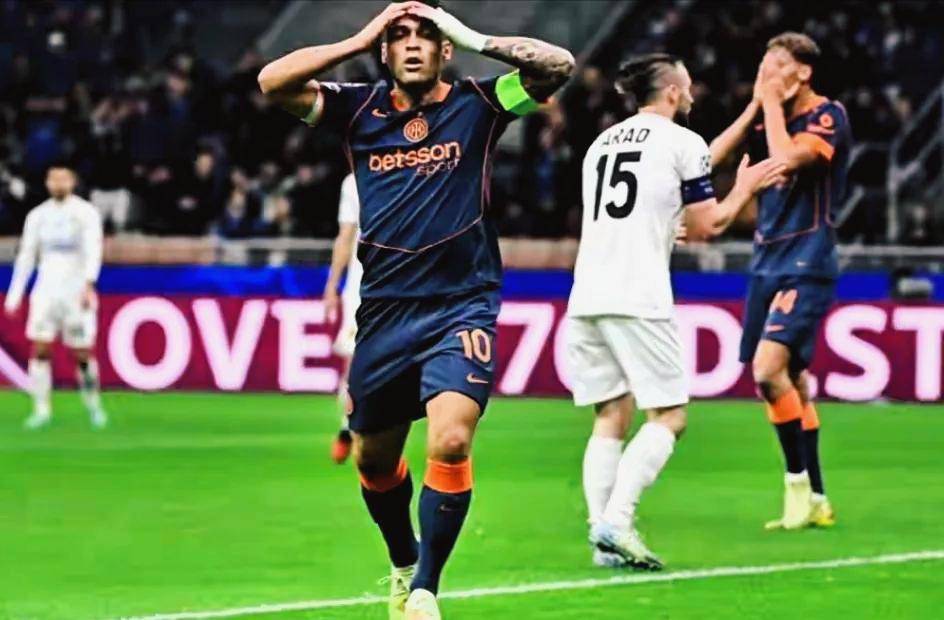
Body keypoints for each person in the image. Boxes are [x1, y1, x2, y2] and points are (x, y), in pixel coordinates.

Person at [257, 2, 574, 617]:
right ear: (384, 51)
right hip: (384, 314)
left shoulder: (481, 105)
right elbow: (273, 82)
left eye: (425, 36)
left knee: (451, 440)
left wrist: (470, 34)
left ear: (444, 49)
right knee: (374, 460)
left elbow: (557, 66)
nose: (410, 45)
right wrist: (359, 38)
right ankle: (404, 562)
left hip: (460, 306)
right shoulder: (356, 110)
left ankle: (425, 589)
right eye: (398, 37)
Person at [567, 54, 784, 569]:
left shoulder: (602, 144)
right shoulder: (680, 142)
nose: (691, 93)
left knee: (610, 414)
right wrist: (746, 187)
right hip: (638, 293)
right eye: (686, 86)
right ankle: (618, 520)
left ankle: (602, 540)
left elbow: (677, 178)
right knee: (669, 416)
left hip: (587, 292)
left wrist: (751, 111)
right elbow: (709, 224)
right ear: (670, 91)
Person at [710, 32, 851, 530]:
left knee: (768, 370)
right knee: (792, 380)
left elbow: (787, 159)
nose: (766, 77)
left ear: (803, 73)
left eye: (776, 67)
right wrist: (755, 105)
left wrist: (769, 104)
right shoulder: (766, 118)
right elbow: (708, 163)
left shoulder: (826, 116)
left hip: (807, 259)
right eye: (762, 68)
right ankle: (817, 497)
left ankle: (796, 488)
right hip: (765, 261)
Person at [4, 163, 108, 430]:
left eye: (63, 179)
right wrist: (15, 294)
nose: (58, 184)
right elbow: (27, 256)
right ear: (48, 183)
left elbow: (93, 249)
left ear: (72, 182)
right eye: (54, 179)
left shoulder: (86, 213)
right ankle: (41, 410)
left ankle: (93, 405)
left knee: (82, 353)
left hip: (76, 290)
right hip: (46, 291)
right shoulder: (37, 216)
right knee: (40, 349)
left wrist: (89, 284)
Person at [324, 173, 361, 464]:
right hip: (362, 289)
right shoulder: (353, 183)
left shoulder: (416, 170)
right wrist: (332, 285)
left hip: (406, 287)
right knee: (356, 362)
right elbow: (346, 236)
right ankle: (347, 428)